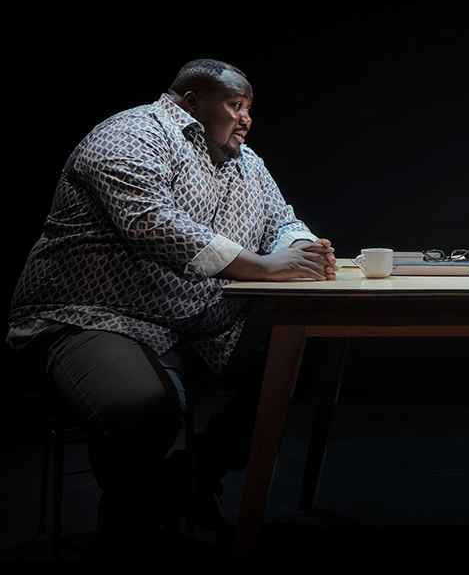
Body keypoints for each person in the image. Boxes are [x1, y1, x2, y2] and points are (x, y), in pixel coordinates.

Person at [7, 59, 338, 558]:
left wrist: (303, 249)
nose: (246, 118)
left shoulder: (245, 163)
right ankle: (131, 530)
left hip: (199, 323)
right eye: (235, 105)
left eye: (249, 108)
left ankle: (193, 477)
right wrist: (262, 267)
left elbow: (282, 222)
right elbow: (151, 222)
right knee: (141, 405)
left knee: (306, 348)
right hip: (95, 316)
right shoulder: (131, 134)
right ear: (191, 101)